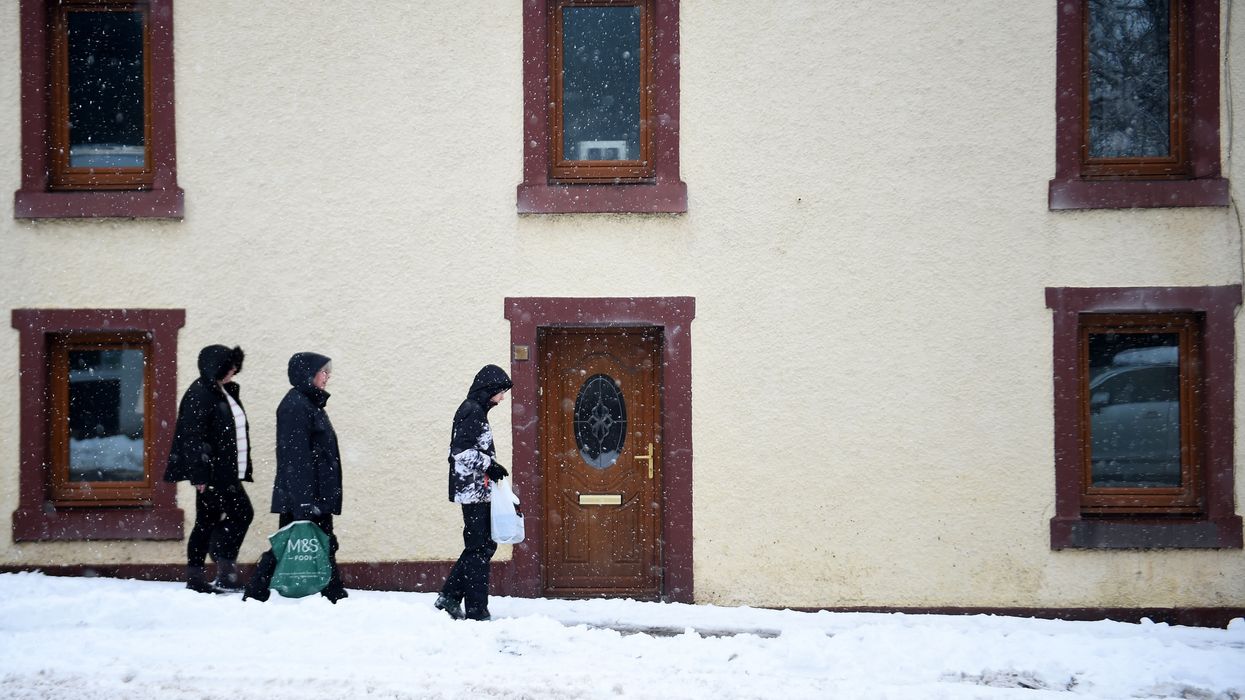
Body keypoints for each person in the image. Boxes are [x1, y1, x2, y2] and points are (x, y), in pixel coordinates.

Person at [242, 352, 348, 603]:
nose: (327, 376)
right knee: (293, 542)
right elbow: (295, 458)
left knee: (319, 540)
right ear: (308, 374)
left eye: (328, 372)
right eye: (323, 371)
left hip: (315, 491)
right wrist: (302, 502)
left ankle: (332, 590)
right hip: (305, 493)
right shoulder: (296, 406)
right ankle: (258, 590)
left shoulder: (309, 404)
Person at [164, 345, 254, 594]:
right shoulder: (200, 394)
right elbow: (192, 437)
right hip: (212, 472)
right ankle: (202, 575)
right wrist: (199, 474)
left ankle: (221, 570)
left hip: (225, 470)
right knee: (219, 519)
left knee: (221, 518)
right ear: (216, 367)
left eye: (235, 366)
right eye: (229, 366)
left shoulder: (222, 391)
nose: (234, 370)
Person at [435, 364, 513, 621]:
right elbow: (460, 452)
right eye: (501, 392)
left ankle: (449, 597)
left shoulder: (476, 410)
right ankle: (476, 610)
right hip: (472, 492)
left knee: (481, 546)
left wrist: (490, 468)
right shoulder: (471, 411)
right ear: (488, 389)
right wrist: (490, 465)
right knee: (479, 549)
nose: (502, 398)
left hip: (478, 490)